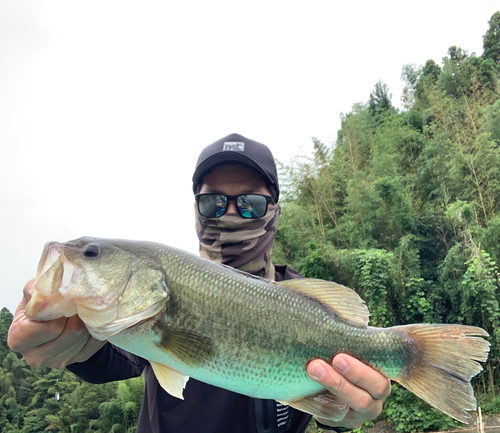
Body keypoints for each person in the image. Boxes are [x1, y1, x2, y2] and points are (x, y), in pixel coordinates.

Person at [8, 133, 391, 433]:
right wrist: (72, 346)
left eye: (249, 204)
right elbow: (114, 357)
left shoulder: (303, 300)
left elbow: (335, 402)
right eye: (213, 203)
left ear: (274, 211)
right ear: (196, 209)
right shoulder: (151, 307)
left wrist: (344, 412)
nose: (229, 213)